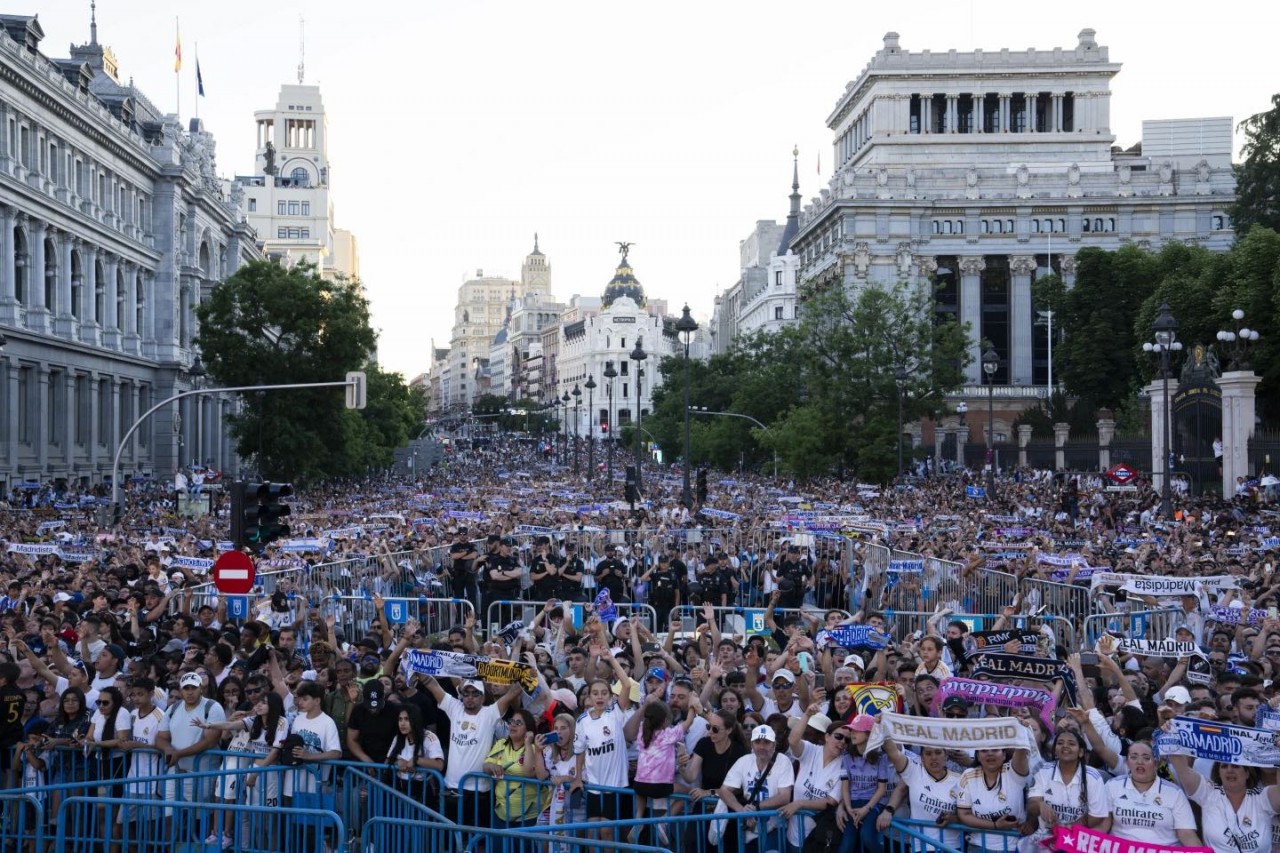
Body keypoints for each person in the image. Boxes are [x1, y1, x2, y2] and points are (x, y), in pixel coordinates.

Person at [419, 673, 521, 829]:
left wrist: (528, 674)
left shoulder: (490, 713)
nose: (470, 697)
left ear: (483, 697)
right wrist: (416, 665)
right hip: (452, 789)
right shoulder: (454, 708)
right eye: (466, 693)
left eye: (475, 693)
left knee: (477, 838)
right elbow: (431, 684)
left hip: (479, 792)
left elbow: (513, 692)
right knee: (450, 838)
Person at [1167, 753, 1279, 853]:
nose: (1229, 770)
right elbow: (1182, 768)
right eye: (1224, 766)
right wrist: (1172, 740)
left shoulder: (1263, 797)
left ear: (1247, 773)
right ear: (1219, 773)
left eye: (1236, 766)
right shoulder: (1208, 793)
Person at [1098, 740, 1200, 847]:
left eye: (1146, 758)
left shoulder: (1175, 793)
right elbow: (1103, 824)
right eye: (1134, 757)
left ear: (1156, 763)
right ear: (1127, 762)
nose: (1139, 762)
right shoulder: (1113, 786)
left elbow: (1186, 834)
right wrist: (1084, 839)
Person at [878, 723, 963, 850]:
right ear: (921, 758)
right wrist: (883, 726)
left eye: (938, 752)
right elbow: (894, 753)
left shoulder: (960, 780)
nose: (933, 757)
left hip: (951, 847)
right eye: (928, 753)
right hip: (921, 847)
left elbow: (969, 815)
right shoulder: (914, 772)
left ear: (946, 756)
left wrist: (953, 818)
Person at [714, 724, 795, 853]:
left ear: (774, 745)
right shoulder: (744, 761)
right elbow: (724, 790)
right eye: (757, 742)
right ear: (752, 744)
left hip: (775, 828)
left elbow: (784, 797)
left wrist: (756, 807)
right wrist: (742, 811)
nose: (762, 747)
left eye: (766, 742)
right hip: (750, 829)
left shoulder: (783, 761)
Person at [1024, 728, 1108, 851]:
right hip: (1046, 840)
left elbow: (1097, 816)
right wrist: (1040, 805)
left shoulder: (1093, 777)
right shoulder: (1043, 770)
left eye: (1071, 743)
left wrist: (1069, 828)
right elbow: (1032, 805)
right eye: (1060, 743)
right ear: (1055, 751)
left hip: (1078, 841)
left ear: (1081, 752)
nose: (1065, 746)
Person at [781, 703, 845, 853]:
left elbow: (830, 801)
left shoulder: (845, 765)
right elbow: (793, 741)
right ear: (827, 737)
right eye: (838, 736)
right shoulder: (811, 750)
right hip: (793, 836)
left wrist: (799, 804)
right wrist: (807, 715)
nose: (842, 742)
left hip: (818, 840)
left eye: (847, 740)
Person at [956, 741, 1032, 853]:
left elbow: (1021, 749)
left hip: (1013, 847)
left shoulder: (1014, 771)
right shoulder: (968, 775)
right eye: (984, 750)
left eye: (995, 749)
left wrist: (1019, 732)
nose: (990, 754)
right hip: (977, 847)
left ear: (1004, 754)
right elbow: (964, 814)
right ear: (978, 756)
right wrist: (995, 825)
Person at [484, 708, 543, 830]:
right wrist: (492, 766)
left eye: (518, 722)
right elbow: (486, 765)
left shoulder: (535, 748)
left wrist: (528, 743)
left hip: (528, 816)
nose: (513, 725)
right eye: (511, 721)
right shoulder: (501, 743)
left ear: (528, 728)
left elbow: (528, 773)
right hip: (501, 813)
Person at [838, 713, 890, 853]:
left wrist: (866, 808)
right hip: (853, 804)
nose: (852, 733)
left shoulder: (881, 757)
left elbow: (882, 789)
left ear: (869, 734)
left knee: (867, 836)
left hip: (873, 804)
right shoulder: (847, 757)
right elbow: (845, 787)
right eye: (852, 730)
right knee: (847, 845)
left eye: (857, 730)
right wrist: (848, 808)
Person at [683, 709, 748, 805]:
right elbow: (691, 777)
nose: (710, 732)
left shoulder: (739, 751)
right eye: (708, 727)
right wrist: (681, 767)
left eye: (715, 729)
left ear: (729, 730)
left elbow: (738, 788)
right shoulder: (704, 744)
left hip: (730, 806)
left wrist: (709, 792)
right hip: (705, 805)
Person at [385, 704, 444, 802]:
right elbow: (387, 762)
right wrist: (398, 762)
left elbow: (439, 765)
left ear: (415, 719)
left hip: (421, 790)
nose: (402, 723)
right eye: (400, 719)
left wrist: (416, 760)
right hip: (400, 788)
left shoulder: (429, 737)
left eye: (406, 719)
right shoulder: (398, 737)